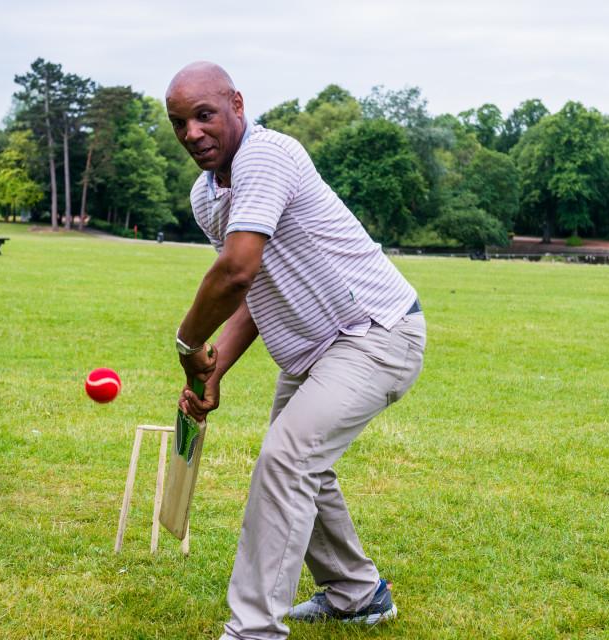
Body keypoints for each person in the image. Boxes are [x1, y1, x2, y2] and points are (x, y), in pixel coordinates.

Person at [167, 62, 426, 639]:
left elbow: (235, 272)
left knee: (286, 460)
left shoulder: (267, 154)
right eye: (179, 123)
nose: (192, 133)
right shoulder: (207, 196)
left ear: (236, 103)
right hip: (315, 348)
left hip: (374, 333)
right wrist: (215, 372)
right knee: (299, 463)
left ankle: (253, 630)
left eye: (204, 115)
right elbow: (253, 292)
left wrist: (189, 344)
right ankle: (358, 594)